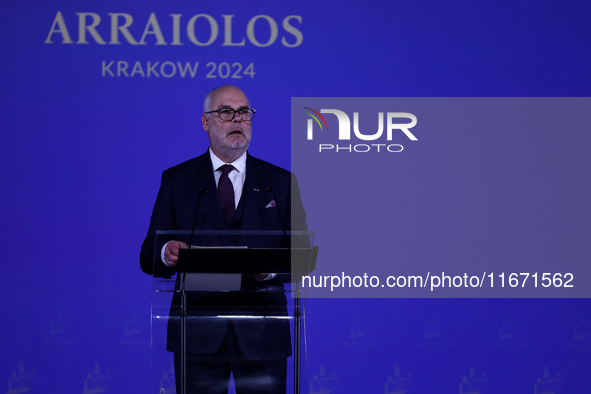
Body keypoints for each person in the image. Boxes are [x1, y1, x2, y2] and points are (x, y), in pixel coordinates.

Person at [140, 85, 307, 394]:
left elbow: (302, 254)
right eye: (226, 112)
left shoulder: (280, 182)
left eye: (244, 113)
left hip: (264, 335)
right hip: (198, 333)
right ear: (206, 122)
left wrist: (269, 269)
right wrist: (167, 251)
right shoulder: (177, 180)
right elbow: (149, 252)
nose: (237, 120)